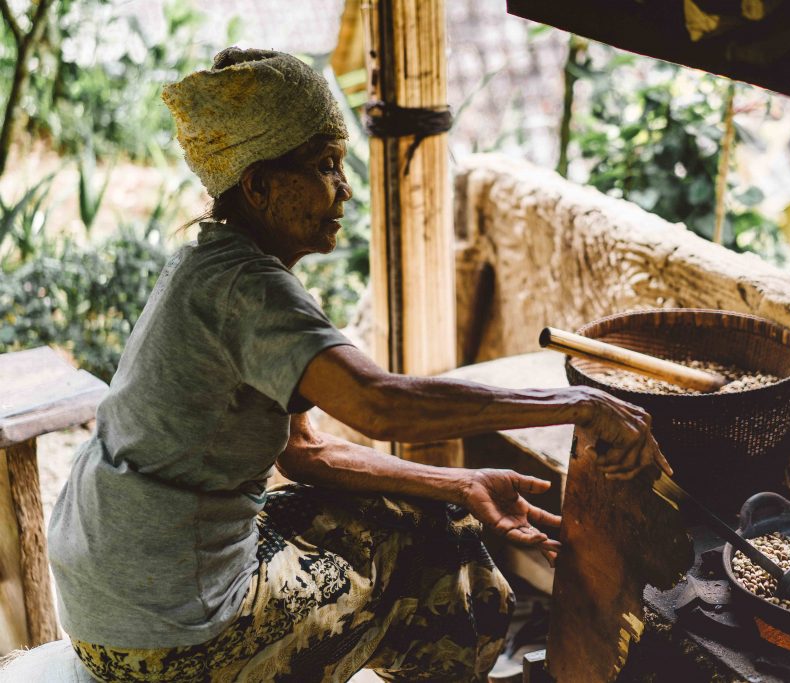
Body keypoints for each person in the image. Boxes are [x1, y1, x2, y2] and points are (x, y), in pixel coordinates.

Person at [48, 47, 671, 683]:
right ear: (259, 185)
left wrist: (462, 483)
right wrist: (581, 404)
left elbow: (305, 454)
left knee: (431, 512)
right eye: (325, 167)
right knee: (443, 550)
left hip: (108, 597)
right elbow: (378, 402)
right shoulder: (251, 289)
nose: (343, 189)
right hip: (168, 636)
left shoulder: (205, 264)